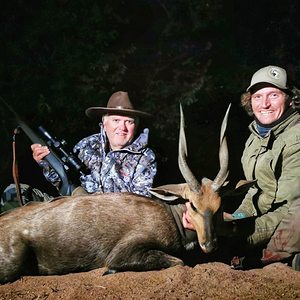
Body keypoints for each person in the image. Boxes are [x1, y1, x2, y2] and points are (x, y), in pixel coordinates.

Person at [183, 65, 300, 270]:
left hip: (291, 219)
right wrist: (234, 217)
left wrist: (236, 231)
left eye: (274, 94)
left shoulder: (296, 138)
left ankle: (273, 259)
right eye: (257, 96)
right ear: (250, 102)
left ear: (290, 99)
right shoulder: (256, 136)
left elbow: (289, 207)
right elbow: (255, 191)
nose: (265, 104)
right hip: (269, 219)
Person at [1, 91, 157, 211]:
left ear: (136, 125)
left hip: (110, 226)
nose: (122, 128)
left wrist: (90, 204)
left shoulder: (145, 159)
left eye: (128, 122)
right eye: (116, 120)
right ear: (104, 121)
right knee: (13, 193)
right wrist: (45, 162)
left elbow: (140, 207)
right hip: (71, 209)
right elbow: (62, 181)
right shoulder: (87, 145)